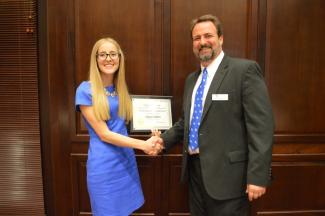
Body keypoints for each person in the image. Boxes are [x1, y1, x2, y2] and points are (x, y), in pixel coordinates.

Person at [154, 14, 274, 215]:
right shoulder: (192, 80)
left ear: (221, 38)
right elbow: (187, 123)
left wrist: (258, 176)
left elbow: (261, 127)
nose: (202, 42)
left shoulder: (244, 71)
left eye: (208, 36)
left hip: (230, 180)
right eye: (196, 38)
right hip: (195, 175)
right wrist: (161, 141)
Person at [75, 37, 162, 216]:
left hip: (125, 161)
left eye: (113, 54)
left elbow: (124, 124)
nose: (108, 58)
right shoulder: (85, 90)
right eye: (103, 54)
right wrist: (144, 145)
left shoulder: (120, 89)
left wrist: (154, 133)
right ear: (96, 59)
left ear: (120, 58)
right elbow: (105, 134)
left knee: (126, 211)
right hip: (105, 166)